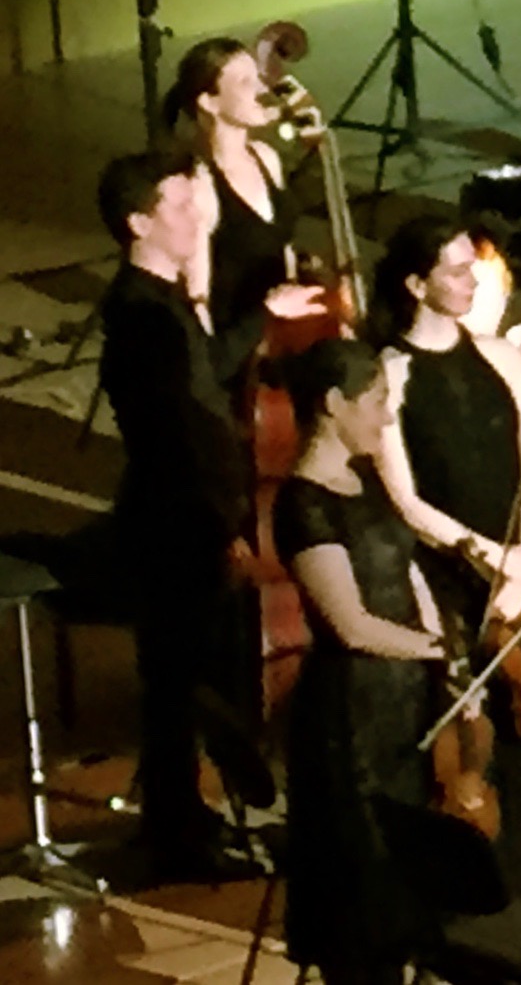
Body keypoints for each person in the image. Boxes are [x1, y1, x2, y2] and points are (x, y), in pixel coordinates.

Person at [369, 213, 521, 899]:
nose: (470, 277)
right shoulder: (391, 372)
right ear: (416, 284)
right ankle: (471, 907)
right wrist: (491, 559)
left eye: (469, 264)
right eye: (453, 268)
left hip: (515, 577)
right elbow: (407, 501)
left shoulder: (502, 356)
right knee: (465, 749)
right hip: (448, 582)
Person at [95, 149, 263, 877]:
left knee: (188, 679)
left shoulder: (164, 305)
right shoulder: (141, 316)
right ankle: (179, 834)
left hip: (189, 516)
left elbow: (207, 375)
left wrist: (257, 315)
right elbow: (177, 432)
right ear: (139, 222)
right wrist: (221, 524)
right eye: (181, 205)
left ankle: (188, 822)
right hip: (176, 522)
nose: (198, 216)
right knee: (181, 684)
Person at [271, 339, 447, 985]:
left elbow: (404, 570)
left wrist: (441, 647)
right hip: (353, 722)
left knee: (409, 890)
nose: (386, 416)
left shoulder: (367, 475)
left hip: (405, 703)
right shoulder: (303, 503)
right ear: (333, 403)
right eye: (375, 401)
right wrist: (438, 650)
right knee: (364, 905)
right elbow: (351, 625)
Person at [162, 36, 327, 374]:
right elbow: (198, 298)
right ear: (209, 102)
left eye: (258, 77)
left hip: (284, 332)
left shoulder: (266, 157)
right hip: (241, 347)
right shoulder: (200, 184)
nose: (261, 90)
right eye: (245, 82)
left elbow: (282, 246)